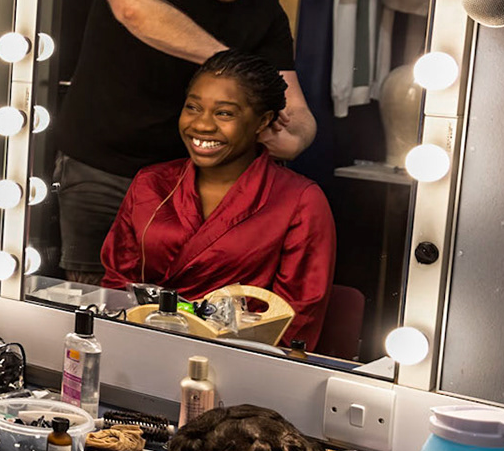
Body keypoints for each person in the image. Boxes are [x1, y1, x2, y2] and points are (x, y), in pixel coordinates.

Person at [53, 0, 317, 284]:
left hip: (186, 187)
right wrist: (228, 66)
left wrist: (288, 139)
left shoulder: (265, 10)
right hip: (101, 172)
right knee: (95, 305)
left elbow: (298, 119)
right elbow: (134, 9)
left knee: (178, 312)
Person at [100, 52, 336, 349]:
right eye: (193, 108)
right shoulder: (150, 183)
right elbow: (117, 286)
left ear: (262, 121)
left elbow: (296, 319)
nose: (202, 125)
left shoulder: (299, 200)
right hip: (142, 347)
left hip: (241, 365)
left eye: (224, 113)